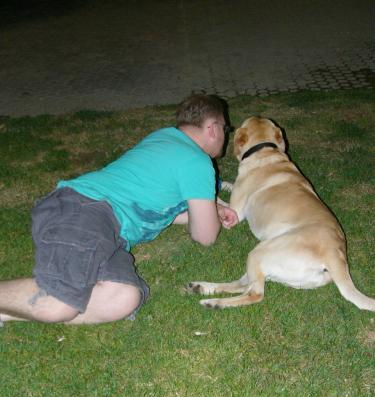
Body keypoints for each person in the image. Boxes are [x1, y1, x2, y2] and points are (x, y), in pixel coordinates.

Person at [0, 94, 238, 326]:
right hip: (86, 210)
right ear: (213, 127)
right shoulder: (197, 161)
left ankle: (7, 313)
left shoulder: (164, 139)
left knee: (123, 298)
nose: (224, 138)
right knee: (56, 305)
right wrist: (209, 215)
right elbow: (205, 236)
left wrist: (208, 210)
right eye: (226, 130)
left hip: (105, 229)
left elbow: (155, 208)